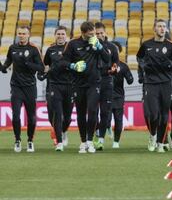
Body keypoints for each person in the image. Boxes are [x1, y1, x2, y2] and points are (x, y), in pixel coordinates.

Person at [61, 21, 110, 153]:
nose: (93, 36)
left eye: (94, 33)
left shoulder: (97, 42)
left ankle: (90, 141)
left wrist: (99, 47)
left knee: (93, 111)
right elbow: (63, 62)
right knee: (81, 114)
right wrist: (73, 66)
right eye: (90, 34)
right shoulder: (73, 44)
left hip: (94, 83)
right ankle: (83, 142)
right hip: (78, 84)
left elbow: (108, 59)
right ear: (83, 33)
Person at [0, 25, 44, 152]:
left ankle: (30, 140)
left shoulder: (34, 49)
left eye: (24, 33)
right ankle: (17, 140)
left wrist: (27, 63)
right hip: (16, 86)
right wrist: (2, 67)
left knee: (31, 117)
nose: (21, 35)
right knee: (15, 115)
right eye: (19, 33)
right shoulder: (12, 48)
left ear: (28, 35)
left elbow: (41, 68)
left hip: (30, 87)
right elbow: (7, 62)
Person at [137, 19, 172, 153]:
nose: (162, 29)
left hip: (166, 83)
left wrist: (170, 65)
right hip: (151, 83)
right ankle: (153, 135)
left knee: (164, 114)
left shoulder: (171, 46)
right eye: (159, 26)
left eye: (164, 27)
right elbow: (139, 58)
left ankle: (160, 143)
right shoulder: (146, 44)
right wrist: (144, 68)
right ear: (154, 29)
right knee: (153, 114)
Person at [38, 26, 74, 151]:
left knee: (68, 117)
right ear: (55, 35)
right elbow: (46, 65)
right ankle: (59, 142)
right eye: (58, 34)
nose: (60, 36)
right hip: (54, 85)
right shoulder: (50, 50)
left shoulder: (71, 49)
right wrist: (45, 72)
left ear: (66, 36)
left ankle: (64, 132)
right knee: (55, 115)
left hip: (70, 86)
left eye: (62, 34)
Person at [93, 22, 119, 150]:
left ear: (105, 33)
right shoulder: (90, 46)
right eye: (96, 33)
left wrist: (114, 68)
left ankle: (101, 139)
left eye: (101, 33)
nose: (99, 35)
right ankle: (94, 133)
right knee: (92, 111)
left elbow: (116, 63)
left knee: (104, 112)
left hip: (107, 80)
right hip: (92, 81)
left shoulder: (112, 47)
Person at [110, 41, 133, 148]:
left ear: (119, 52)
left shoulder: (123, 66)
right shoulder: (103, 64)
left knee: (118, 119)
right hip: (105, 95)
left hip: (118, 96)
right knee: (105, 119)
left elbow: (130, 80)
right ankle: (100, 136)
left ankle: (116, 142)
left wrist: (129, 77)